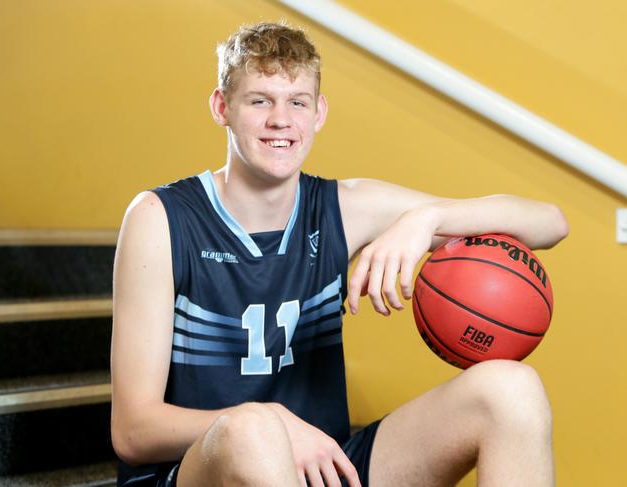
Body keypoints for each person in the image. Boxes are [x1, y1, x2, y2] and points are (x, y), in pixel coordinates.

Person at [110, 22, 568, 487]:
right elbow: (133, 431)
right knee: (254, 429)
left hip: (324, 465)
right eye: (259, 100)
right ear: (221, 107)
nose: (280, 120)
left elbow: (549, 222)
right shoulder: (161, 217)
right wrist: (274, 422)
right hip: (198, 469)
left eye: (297, 102)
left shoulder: (343, 208)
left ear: (319, 112)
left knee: (513, 391)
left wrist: (427, 219)